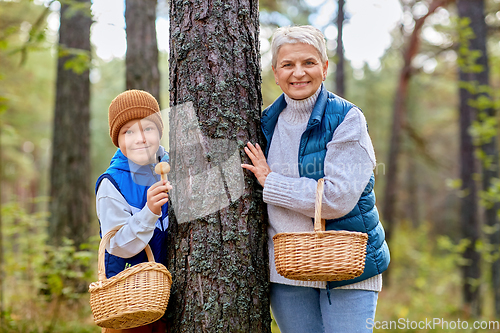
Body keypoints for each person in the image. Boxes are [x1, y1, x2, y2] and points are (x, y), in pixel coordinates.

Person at [241, 25, 390, 333]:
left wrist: (272, 182)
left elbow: (337, 198)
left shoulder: (347, 119)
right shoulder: (264, 123)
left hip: (347, 268)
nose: (299, 73)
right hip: (287, 272)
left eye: (308, 62)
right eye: (288, 64)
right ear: (274, 71)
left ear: (324, 67)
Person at [95, 90, 172, 333]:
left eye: (148, 128)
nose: (140, 138)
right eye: (128, 131)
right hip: (130, 300)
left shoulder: (170, 166)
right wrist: (149, 211)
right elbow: (118, 245)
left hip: (167, 294)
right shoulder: (112, 184)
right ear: (117, 139)